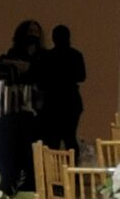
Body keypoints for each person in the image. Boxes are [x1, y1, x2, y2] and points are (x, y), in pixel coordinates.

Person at [37, 24, 86, 152]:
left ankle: (54, 169)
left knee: (53, 139)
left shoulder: (48, 57)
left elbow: (41, 80)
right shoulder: (76, 55)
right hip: (71, 100)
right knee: (70, 138)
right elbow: (82, 76)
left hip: (53, 101)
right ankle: (72, 168)